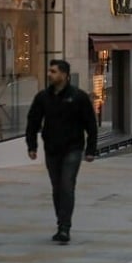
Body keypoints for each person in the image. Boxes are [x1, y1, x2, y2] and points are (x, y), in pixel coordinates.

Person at [25, 59, 97, 244]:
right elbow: (33, 121)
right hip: (52, 149)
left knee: (66, 185)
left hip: (73, 148)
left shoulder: (78, 97)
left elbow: (90, 124)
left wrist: (91, 149)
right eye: (49, 71)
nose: (50, 74)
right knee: (57, 188)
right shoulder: (43, 97)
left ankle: (65, 227)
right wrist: (31, 145)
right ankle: (61, 224)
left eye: (54, 71)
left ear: (64, 75)